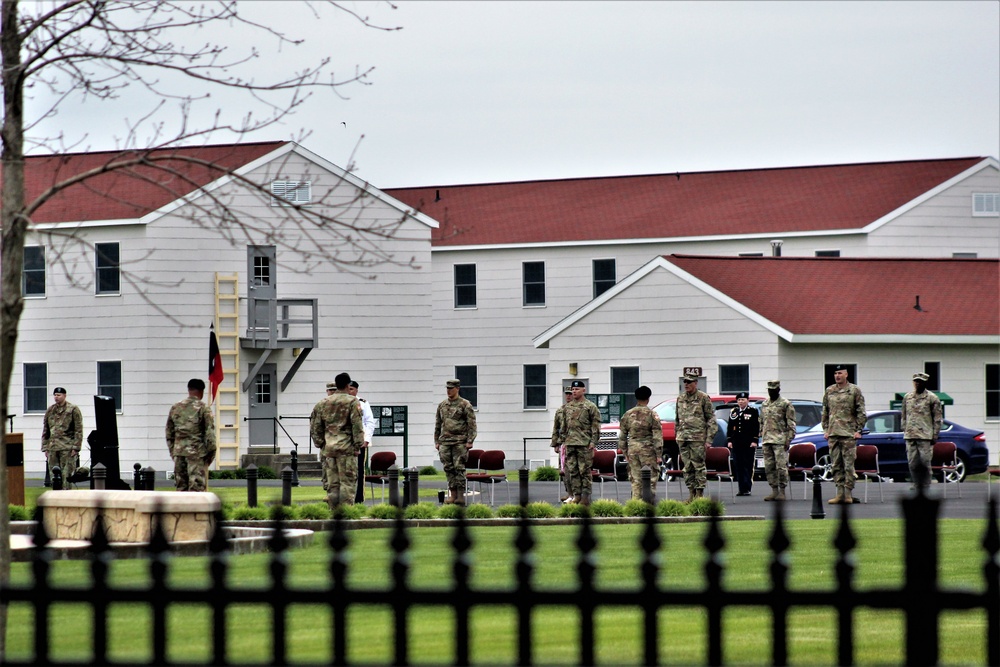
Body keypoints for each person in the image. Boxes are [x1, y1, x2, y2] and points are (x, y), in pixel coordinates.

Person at [310, 372, 365, 509]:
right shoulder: (352, 402)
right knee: (347, 482)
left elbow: (315, 426)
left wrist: (321, 444)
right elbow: (357, 426)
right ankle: (345, 513)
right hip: (346, 449)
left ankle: (333, 513)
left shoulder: (322, 403)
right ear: (348, 385)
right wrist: (358, 445)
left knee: (332, 484)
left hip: (328, 449)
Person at [821, 365, 866, 505]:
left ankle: (848, 493)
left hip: (848, 433)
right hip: (834, 433)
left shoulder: (854, 390)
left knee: (848, 465)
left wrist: (858, 430)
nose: (837, 376)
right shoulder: (830, 390)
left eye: (840, 373)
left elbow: (861, 411)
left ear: (846, 374)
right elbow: (825, 412)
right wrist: (826, 429)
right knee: (836, 465)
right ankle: (839, 493)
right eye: (835, 373)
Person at [165, 379, 217, 492]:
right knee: (196, 491)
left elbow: (169, 433)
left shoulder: (175, 408)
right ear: (202, 391)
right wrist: (210, 456)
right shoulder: (203, 408)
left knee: (181, 490)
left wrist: (174, 452)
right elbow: (210, 435)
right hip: (196, 455)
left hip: (179, 454)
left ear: (189, 390)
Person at [675, 373, 718, 501]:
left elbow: (711, 419)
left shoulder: (703, 398)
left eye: (689, 382)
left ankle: (699, 494)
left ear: (695, 383)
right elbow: (677, 419)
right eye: (685, 382)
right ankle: (691, 493)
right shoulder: (681, 398)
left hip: (697, 438)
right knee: (687, 467)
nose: (686, 384)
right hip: (683, 438)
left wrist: (709, 439)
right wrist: (677, 434)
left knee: (698, 466)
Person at [435, 378, 477, 506]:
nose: (449, 391)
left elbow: (472, 424)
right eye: (447, 388)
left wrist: (470, 441)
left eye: (451, 388)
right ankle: (452, 494)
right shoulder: (442, 405)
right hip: (445, 441)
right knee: (448, 468)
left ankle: (460, 495)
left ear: (457, 388)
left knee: (459, 468)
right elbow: (438, 424)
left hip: (460, 441)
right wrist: (437, 440)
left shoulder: (465, 405)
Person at [618, 385, 663, 501]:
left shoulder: (628, 414)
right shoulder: (652, 414)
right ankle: (648, 505)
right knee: (650, 479)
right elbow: (657, 436)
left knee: (635, 479)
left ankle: (635, 505)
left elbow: (622, 436)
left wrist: (625, 453)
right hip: (648, 450)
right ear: (648, 398)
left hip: (633, 450)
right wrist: (658, 454)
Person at [901, 372, 943, 492]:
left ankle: (925, 485)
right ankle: (916, 483)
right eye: (916, 381)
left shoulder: (932, 398)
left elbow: (937, 418)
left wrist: (935, 435)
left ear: (925, 383)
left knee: (925, 462)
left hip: (925, 435)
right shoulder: (907, 397)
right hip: (910, 434)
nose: (917, 384)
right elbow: (903, 414)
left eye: (920, 381)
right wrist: (904, 428)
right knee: (912, 462)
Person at [561, 380, 601, 505]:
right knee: (573, 471)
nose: (574, 391)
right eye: (573, 389)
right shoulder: (567, 407)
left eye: (577, 389)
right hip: (570, 443)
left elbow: (596, 426)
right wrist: (561, 441)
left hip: (584, 444)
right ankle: (576, 495)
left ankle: (585, 496)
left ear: (584, 390)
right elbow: (564, 426)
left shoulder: (590, 407)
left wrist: (593, 442)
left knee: (584, 471)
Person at [759, 380, 796, 501]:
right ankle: (774, 490)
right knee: (769, 467)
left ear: (778, 390)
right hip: (767, 439)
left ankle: (782, 490)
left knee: (781, 466)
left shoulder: (785, 404)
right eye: (769, 390)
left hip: (780, 440)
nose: (771, 392)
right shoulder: (765, 404)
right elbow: (761, 421)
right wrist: (761, 433)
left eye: (773, 390)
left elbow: (791, 422)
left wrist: (789, 439)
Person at [41, 387, 83, 489]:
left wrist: (76, 447)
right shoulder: (50, 410)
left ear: (64, 396)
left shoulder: (72, 409)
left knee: (66, 474)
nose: (56, 397)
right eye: (55, 395)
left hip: (67, 446)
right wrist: (45, 447)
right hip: (53, 447)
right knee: (54, 474)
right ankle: (55, 495)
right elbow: (46, 430)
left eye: (59, 395)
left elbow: (78, 429)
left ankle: (66, 496)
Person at [348, 380, 376, 503]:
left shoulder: (363, 403)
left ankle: (359, 499)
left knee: (359, 470)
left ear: (356, 390)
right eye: (347, 389)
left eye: (352, 389)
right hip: (345, 442)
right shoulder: (343, 403)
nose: (349, 392)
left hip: (360, 442)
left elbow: (369, 422)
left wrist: (366, 439)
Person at [726, 391, 759, 496]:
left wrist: (754, 440)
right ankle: (741, 488)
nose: (741, 402)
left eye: (743, 400)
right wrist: (730, 440)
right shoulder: (734, 411)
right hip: (737, 443)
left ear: (747, 401)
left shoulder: (752, 411)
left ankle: (747, 487)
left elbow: (756, 427)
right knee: (738, 466)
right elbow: (730, 427)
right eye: (739, 400)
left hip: (748, 443)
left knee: (748, 465)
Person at [550, 387, 573, 502]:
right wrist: (555, 443)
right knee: (563, 470)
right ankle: (569, 493)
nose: (568, 396)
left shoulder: (579, 409)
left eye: (570, 394)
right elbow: (556, 428)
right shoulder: (560, 410)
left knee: (574, 470)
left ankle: (576, 494)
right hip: (563, 444)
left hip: (575, 443)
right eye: (567, 394)